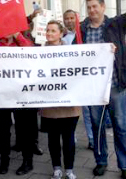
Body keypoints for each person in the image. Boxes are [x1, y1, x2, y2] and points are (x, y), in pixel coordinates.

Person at [77, 0, 126, 179]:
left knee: (121, 126)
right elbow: (73, 54)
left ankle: (125, 165)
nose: (92, 11)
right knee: (98, 127)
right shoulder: (82, 30)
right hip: (94, 89)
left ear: (103, 7)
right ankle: (101, 161)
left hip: (116, 86)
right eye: (89, 7)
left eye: (95, 7)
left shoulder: (116, 24)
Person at [0, 33, 37, 175]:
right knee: (3, 129)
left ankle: (28, 161)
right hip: (3, 93)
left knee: (24, 129)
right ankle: (4, 160)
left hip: (21, 93)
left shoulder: (23, 40)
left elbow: (30, 51)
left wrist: (17, 35)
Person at [43, 21, 81, 179]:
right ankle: (57, 168)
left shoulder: (71, 51)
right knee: (52, 139)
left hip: (69, 104)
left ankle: (69, 169)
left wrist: (108, 50)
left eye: (53, 31)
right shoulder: (39, 52)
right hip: (49, 104)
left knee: (69, 139)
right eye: (47, 30)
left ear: (60, 34)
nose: (49, 33)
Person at [63, 9, 94, 150]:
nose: (69, 21)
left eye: (71, 18)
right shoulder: (61, 37)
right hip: (68, 79)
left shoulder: (85, 34)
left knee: (88, 111)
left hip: (83, 78)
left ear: (76, 19)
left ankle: (92, 139)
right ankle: (71, 138)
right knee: (69, 111)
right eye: (66, 18)